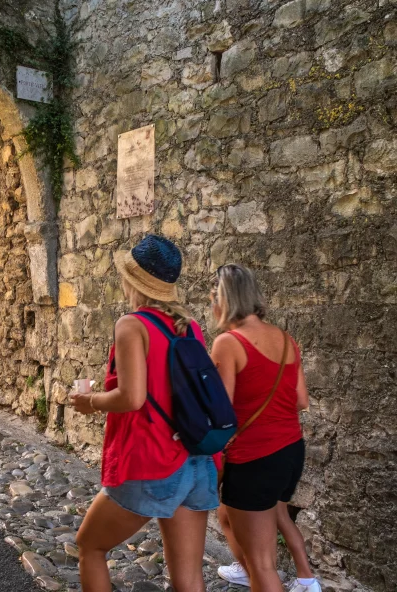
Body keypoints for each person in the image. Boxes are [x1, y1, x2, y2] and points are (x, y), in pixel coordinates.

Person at [71, 235, 217, 592]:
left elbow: (133, 397)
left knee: (90, 546)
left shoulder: (132, 325)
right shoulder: (190, 325)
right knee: (188, 579)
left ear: (133, 280)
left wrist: (89, 401)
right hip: (195, 462)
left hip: (153, 461)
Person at [209, 264, 321, 592]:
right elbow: (301, 400)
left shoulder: (228, 343)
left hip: (255, 457)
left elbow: (222, 412)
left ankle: (257, 576)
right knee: (228, 517)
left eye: (213, 298)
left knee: (263, 564)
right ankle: (250, 573)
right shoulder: (285, 339)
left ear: (223, 299)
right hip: (290, 451)